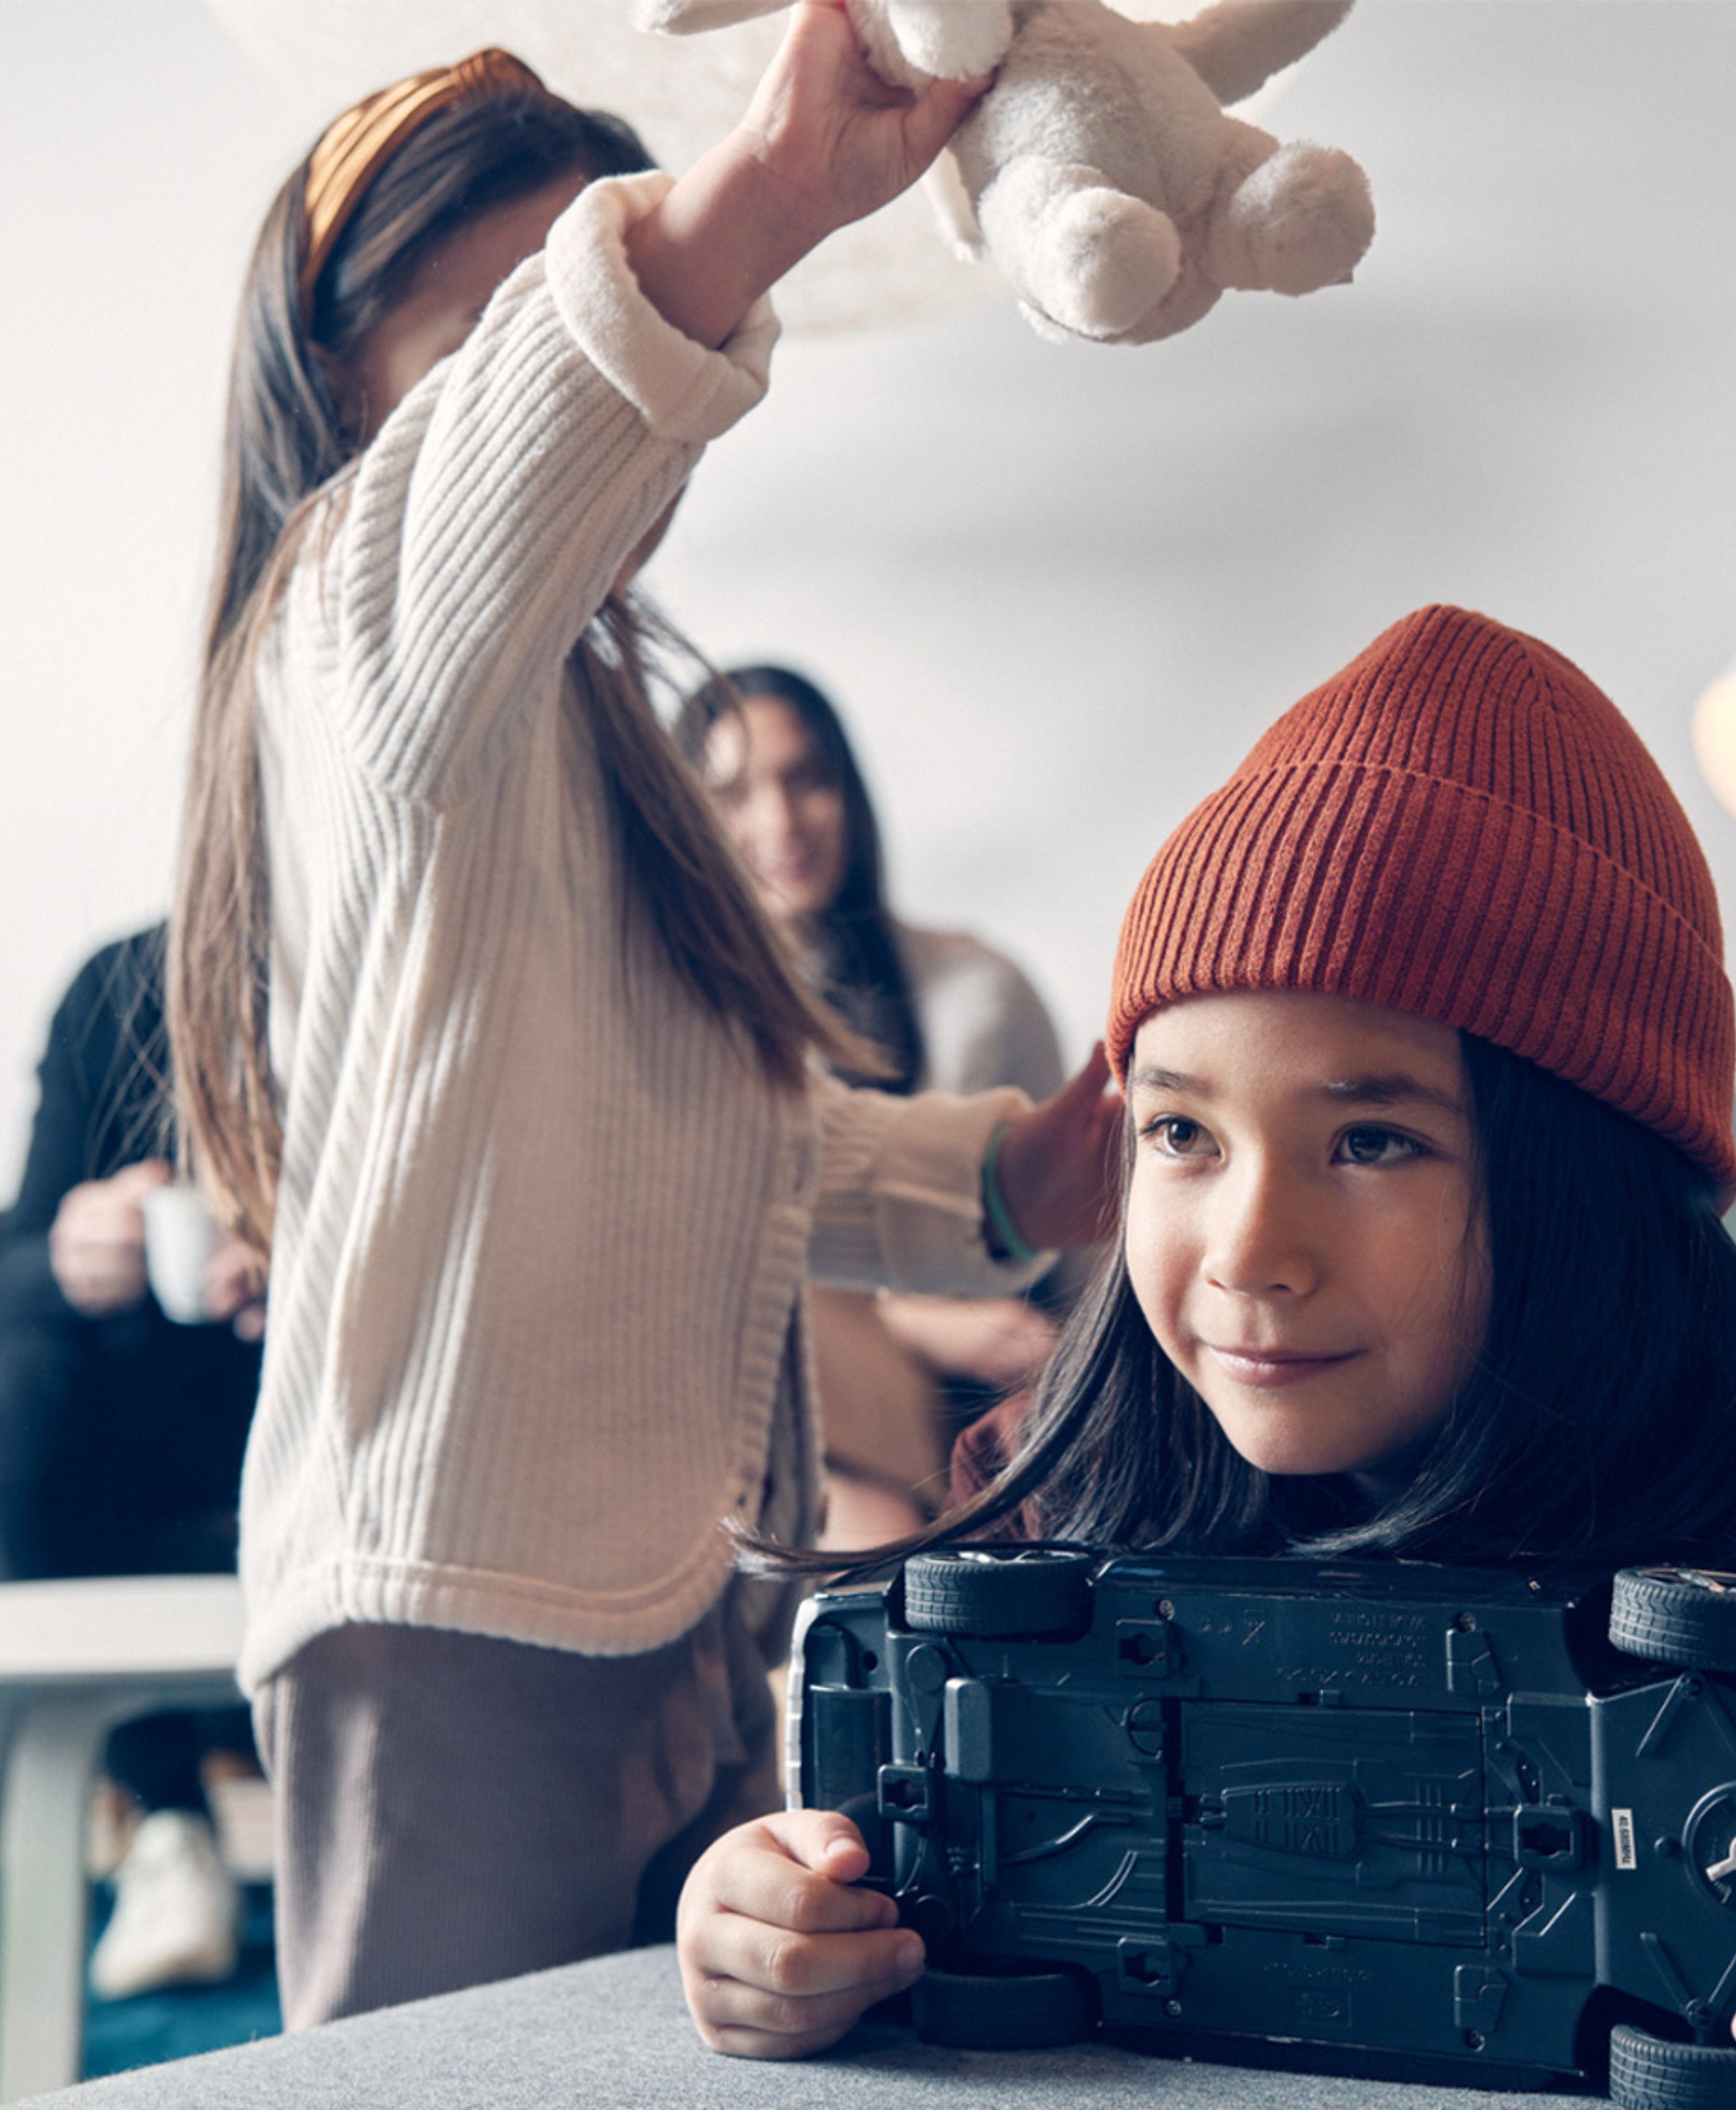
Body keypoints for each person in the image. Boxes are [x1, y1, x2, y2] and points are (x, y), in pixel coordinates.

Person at [674, 605, 1736, 2110]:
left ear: (1587, 1183)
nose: (1250, 1248)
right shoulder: (1047, 1486)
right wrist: (770, 1910)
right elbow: (860, 1864)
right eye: (1182, 1134)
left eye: (1374, 1139)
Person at [163, 11, 1119, 2029]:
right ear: (338, 375)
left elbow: (720, 1135)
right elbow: (509, 452)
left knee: (683, 2057)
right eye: (493, 317)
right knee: (447, 2081)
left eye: (563, 296)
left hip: (674, 1579)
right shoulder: (354, 627)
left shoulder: (590, 743)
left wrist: (1020, 1166)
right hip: (453, 1594)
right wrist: (758, 194)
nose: (554, 368)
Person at [680, 664, 1073, 1539]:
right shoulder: (675, 1026)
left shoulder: (980, 989)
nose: (779, 821)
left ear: (849, 792)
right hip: (788, 1403)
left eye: (806, 780)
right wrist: (915, 1320)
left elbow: (1078, 1242)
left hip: (993, 1380)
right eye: (735, 793)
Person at [0, 924, 264, 1999]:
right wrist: (71, 1254)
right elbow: (3, 1278)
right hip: (151, 1420)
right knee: (22, 1384)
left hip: (334, 1395)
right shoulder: (121, 986)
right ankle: (167, 1819)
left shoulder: (415, 963)